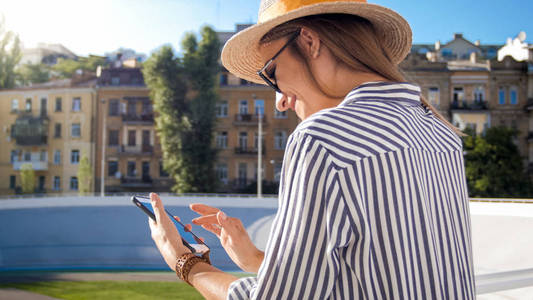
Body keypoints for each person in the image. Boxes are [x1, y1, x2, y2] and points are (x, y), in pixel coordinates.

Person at [147, 0, 476, 299]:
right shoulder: (440, 132)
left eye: (272, 73)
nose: (279, 100)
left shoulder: (321, 138)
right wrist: (258, 260)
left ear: (309, 41)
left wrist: (186, 263)